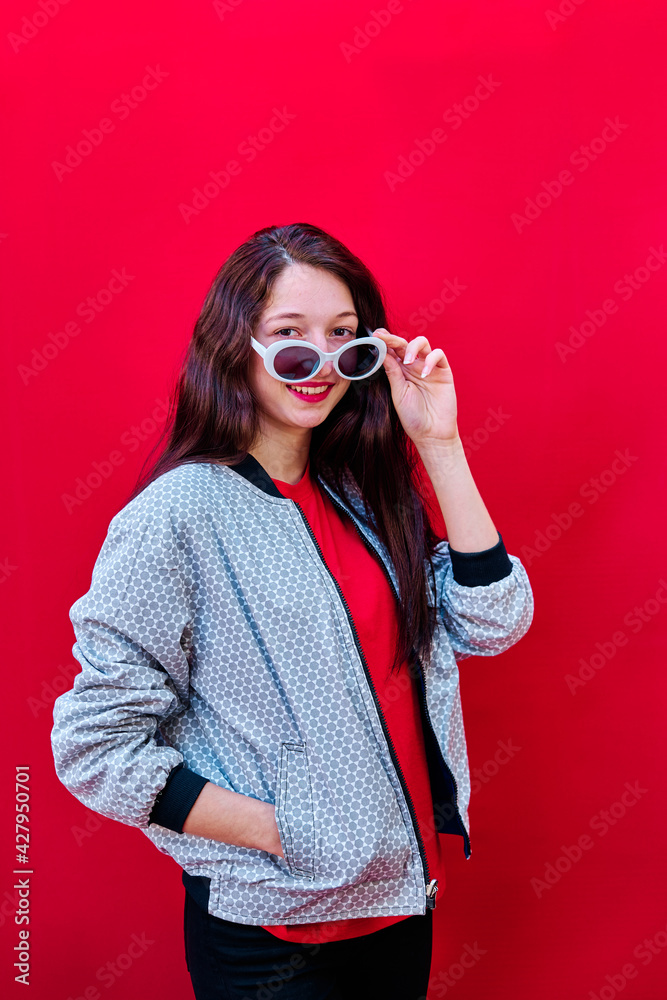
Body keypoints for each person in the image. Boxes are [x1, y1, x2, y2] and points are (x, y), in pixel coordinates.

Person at [51, 222, 534, 1000]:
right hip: (270, 932)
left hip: (399, 906)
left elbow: (493, 622)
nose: (321, 367)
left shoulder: (365, 499)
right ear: (235, 346)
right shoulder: (178, 517)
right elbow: (93, 746)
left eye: (346, 342)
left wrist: (440, 444)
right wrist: (287, 833)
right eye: (290, 339)